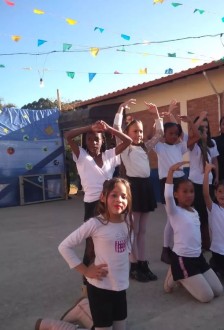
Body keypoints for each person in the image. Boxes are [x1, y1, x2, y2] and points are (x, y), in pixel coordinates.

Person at [64, 120, 132, 289]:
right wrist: (90, 128)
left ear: (102, 141)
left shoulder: (110, 155)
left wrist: (109, 129)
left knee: (108, 242)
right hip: (92, 206)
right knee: (90, 245)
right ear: (85, 142)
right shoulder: (81, 156)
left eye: (97, 139)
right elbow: (68, 136)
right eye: (89, 139)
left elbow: (128, 141)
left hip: (110, 203)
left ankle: (109, 276)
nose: (93, 142)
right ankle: (87, 283)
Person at [58, 178, 133, 330]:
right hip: (100, 289)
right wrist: (85, 271)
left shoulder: (128, 221)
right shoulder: (95, 223)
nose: (119, 200)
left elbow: (128, 247)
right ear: (103, 197)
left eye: (124, 196)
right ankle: (56, 326)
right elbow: (64, 246)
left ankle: (83, 308)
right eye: (114, 195)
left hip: (120, 288)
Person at [114, 99, 162, 282]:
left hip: (146, 187)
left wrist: (156, 114)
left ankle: (142, 263)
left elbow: (159, 133)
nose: (139, 134)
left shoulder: (144, 147)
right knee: (132, 230)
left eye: (141, 131)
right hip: (132, 188)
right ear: (127, 133)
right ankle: (132, 265)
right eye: (135, 131)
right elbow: (116, 130)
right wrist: (120, 109)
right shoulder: (125, 147)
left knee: (142, 230)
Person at [163, 161, 223, 302]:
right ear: (176, 194)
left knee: (218, 291)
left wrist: (207, 172)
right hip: (183, 259)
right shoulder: (174, 211)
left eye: (191, 191)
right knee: (207, 297)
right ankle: (174, 272)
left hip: (198, 257)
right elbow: (168, 196)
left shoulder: (194, 211)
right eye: (185, 192)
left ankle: (182, 274)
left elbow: (204, 192)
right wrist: (171, 171)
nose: (189, 195)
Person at [154, 100, 199, 264]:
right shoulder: (159, 146)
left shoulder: (179, 147)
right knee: (171, 218)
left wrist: (190, 123)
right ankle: (166, 249)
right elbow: (155, 135)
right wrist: (159, 116)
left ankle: (179, 246)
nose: (174, 136)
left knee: (180, 216)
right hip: (167, 181)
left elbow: (197, 136)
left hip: (182, 179)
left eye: (176, 133)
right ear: (164, 134)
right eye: (170, 133)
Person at [188, 111, 219, 250]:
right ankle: (201, 242)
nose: (204, 130)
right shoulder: (193, 145)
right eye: (201, 128)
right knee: (199, 213)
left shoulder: (212, 144)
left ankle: (209, 241)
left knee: (209, 212)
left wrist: (217, 175)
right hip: (196, 183)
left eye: (206, 127)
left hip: (210, 181)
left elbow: (215, 160)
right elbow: (193, 132)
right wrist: (198, 119)